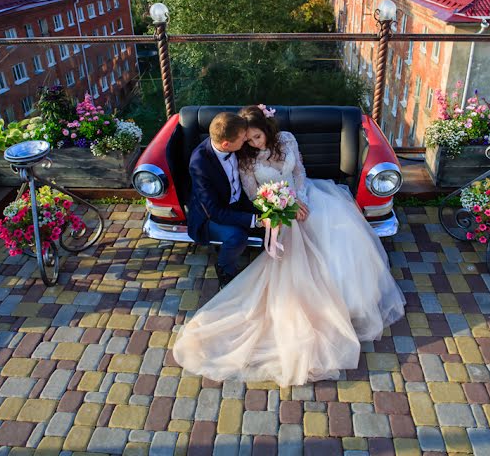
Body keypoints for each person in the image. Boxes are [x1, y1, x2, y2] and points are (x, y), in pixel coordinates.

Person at [172, 105, 405, 387]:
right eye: (248, 140)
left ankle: (352, 297)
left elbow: (299, 172)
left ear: (267, 129)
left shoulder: (287, 139)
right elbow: (251, 193)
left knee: (338, 230)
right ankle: (238, 276)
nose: (252, 143)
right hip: (274, 206)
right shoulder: (240, 157)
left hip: (307, 196)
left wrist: (300, 198)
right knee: (294, 244)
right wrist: (284, 207)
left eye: (256, 137)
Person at [186, 112, 261, 289]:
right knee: (237, 237)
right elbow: (215, 211)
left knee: (275, 220)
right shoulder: (199, 164)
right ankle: (224, 269)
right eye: (243, 139)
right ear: (226, 144)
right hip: (209, 216)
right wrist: (255, 221)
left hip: (238, 201)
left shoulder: (234, 144)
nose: (246, 141)